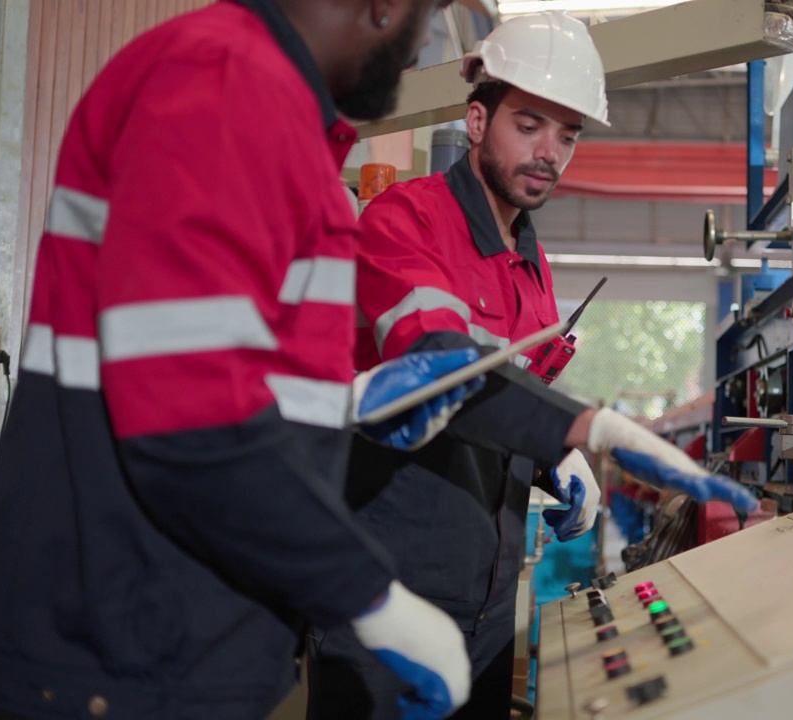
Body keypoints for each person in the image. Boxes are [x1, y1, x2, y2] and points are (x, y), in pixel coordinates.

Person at [0, 1, 493, 719]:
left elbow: (197, 358)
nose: (423, 48)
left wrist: (344, 407)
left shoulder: (265, 104)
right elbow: (190, 419)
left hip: (140, 631)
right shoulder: (229, 82)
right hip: (112, 643)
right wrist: (372, 599)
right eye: (429, 17)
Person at [307, 12, 758, 719]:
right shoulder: (405, 221)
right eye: (530, 125)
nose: (551, 151)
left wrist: (548, 463)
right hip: (389, 595)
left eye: (569, 135)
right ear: (478, 120)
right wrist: (582, 430)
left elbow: (514, 392)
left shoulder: (530, 259)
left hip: (490, 603)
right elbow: (441, 364)